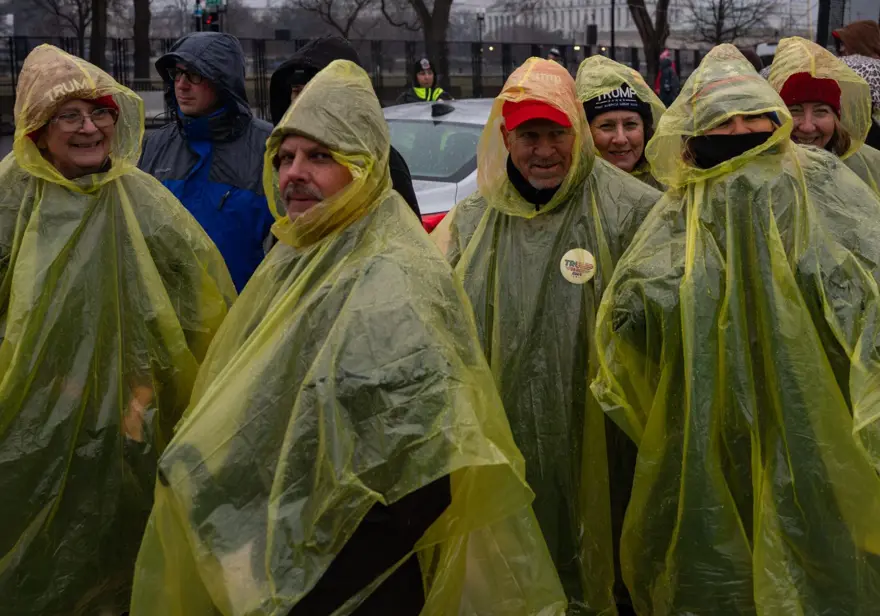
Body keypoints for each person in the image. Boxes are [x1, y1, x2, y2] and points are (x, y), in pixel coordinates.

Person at [129, 59, 566, 616]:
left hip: (352, 579)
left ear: (363, 169)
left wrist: (306, 580)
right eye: (285, 157)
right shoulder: (300, 256)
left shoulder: (394, 280)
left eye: (319, 156)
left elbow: (422, 476)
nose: (293, 173)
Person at [592, 44, 880, 616]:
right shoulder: (683, 204)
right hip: (707, 418)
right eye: (723, 121)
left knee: (815, 547)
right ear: (696, 133)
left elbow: (864, 273)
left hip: (813, 418)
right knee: (720, 552)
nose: (740, 132)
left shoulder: (819, 182)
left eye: (751, 117)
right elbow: (635, 312)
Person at [0, 45, 235, 615]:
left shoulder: (142, 199)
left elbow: (199, 301)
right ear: (36, 130)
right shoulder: (10, 200)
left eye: (100, 112)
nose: (89, 128)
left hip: (135, 415)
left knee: (123, 541)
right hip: (28, 416)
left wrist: (157, 393)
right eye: (69, 116)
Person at [431, 58, 661, 614]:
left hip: (604, 437)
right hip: (505, 432)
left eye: (555, 133)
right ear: (506, 138)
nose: (543, 150)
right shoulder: (474, 220)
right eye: (528, 136)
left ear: (576, 133)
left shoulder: (634, 209)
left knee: (604, 557)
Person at [139, 32, 275, 292]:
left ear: (223, 81)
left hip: (242, 308)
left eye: (194, 75)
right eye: (177, 74)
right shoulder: (156, 145)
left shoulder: (268, 146)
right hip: (167, 308)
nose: (181, 85)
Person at [270, 35, 420, 218]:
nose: (302, 102)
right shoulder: (277, 156)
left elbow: (403, 230)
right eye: (297, 91)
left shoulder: (383, 164)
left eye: (319, 157)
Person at [768, 36, 880, 196]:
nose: (807, 127)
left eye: (820, 111)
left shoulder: (867, 169)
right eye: (795, 111)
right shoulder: (757, 175)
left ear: (836, 119)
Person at [577, 55, 666, 188]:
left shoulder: (671, 187)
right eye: (607, 126)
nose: (620, 139)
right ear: (586, 132)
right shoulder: (571, 191)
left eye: (630, 125)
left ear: (645, 130)